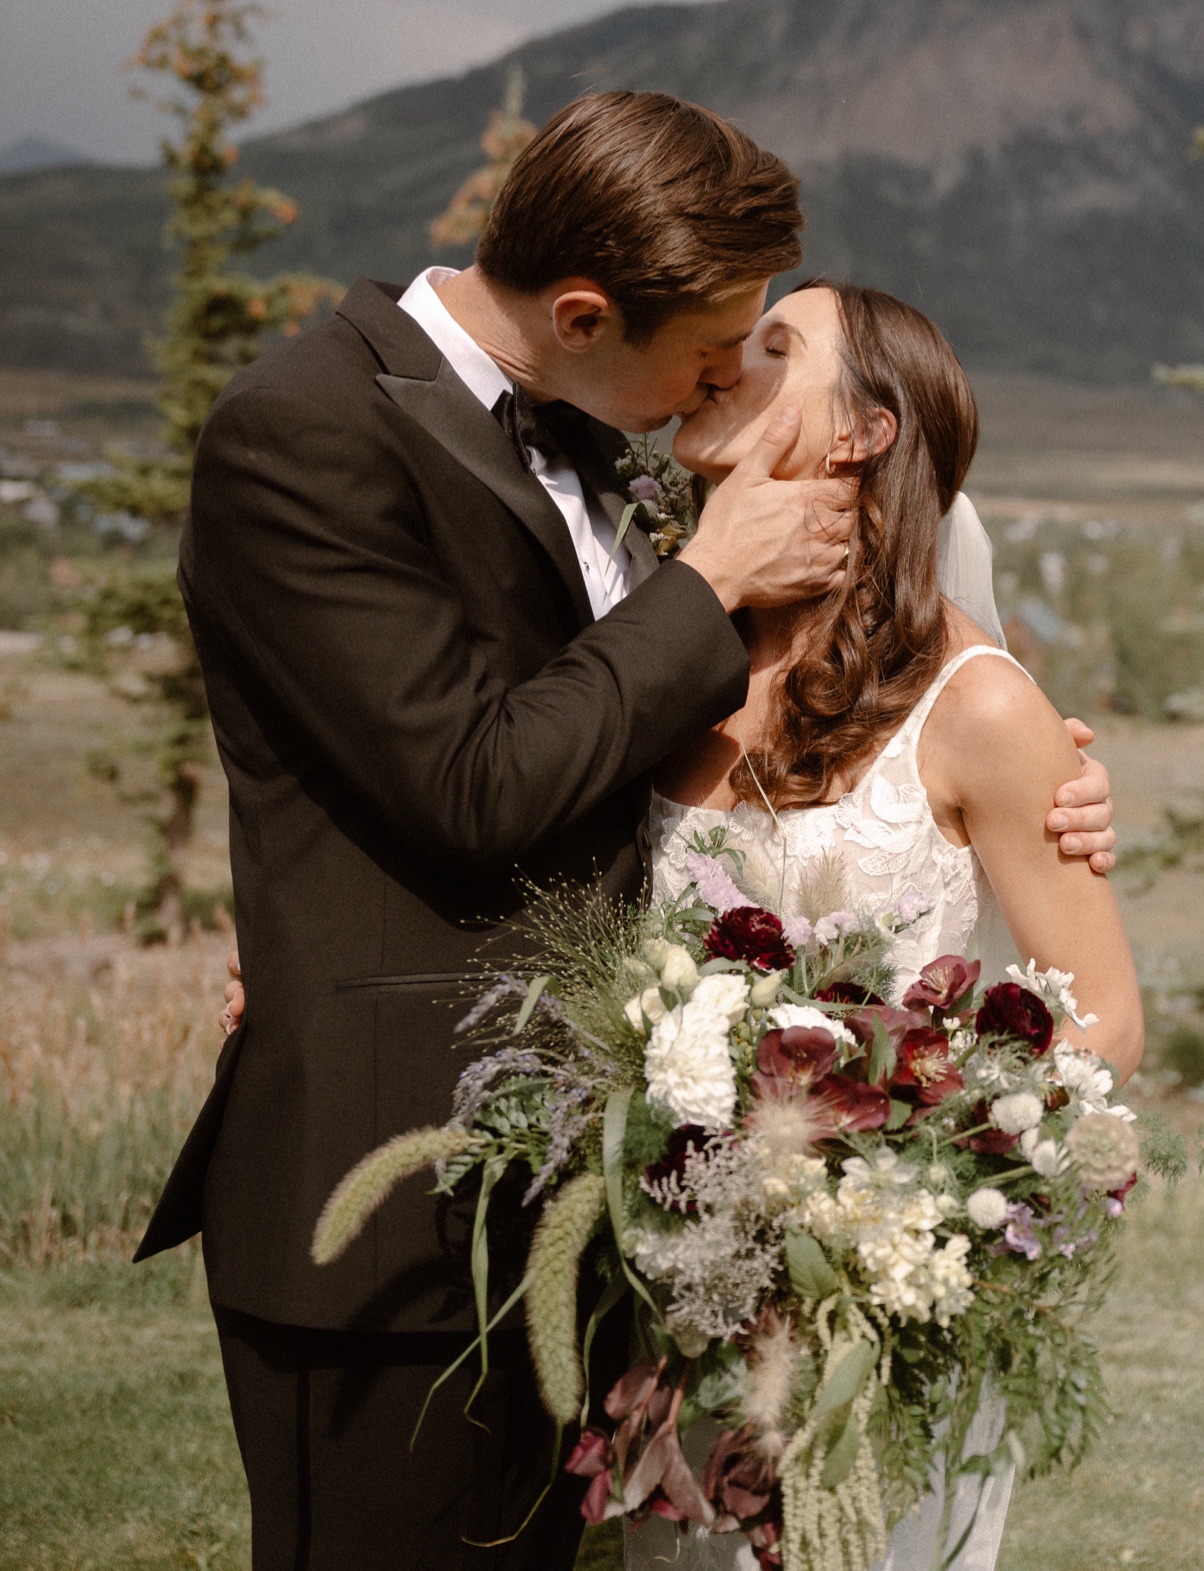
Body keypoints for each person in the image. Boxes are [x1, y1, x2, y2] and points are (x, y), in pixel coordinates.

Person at [143, 89, 1117, 1571]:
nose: (726, 368)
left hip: (614, 1259)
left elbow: (833, 641)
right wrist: (711, 574)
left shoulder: (620, 443)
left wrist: (1003, 729)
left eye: (760, 345)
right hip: (395, 1233)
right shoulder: (304, 431)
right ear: (586, 312)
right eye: (719, 341)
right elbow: (466, 779)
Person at [629, 279, 1144, 1570]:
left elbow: (1105, 1020)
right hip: (661, 1292)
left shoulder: (977, 708)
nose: (721, 366)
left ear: (864, 429)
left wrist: (896, 1209)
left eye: (773, 348)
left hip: (864, 1323)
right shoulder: (662, 652)